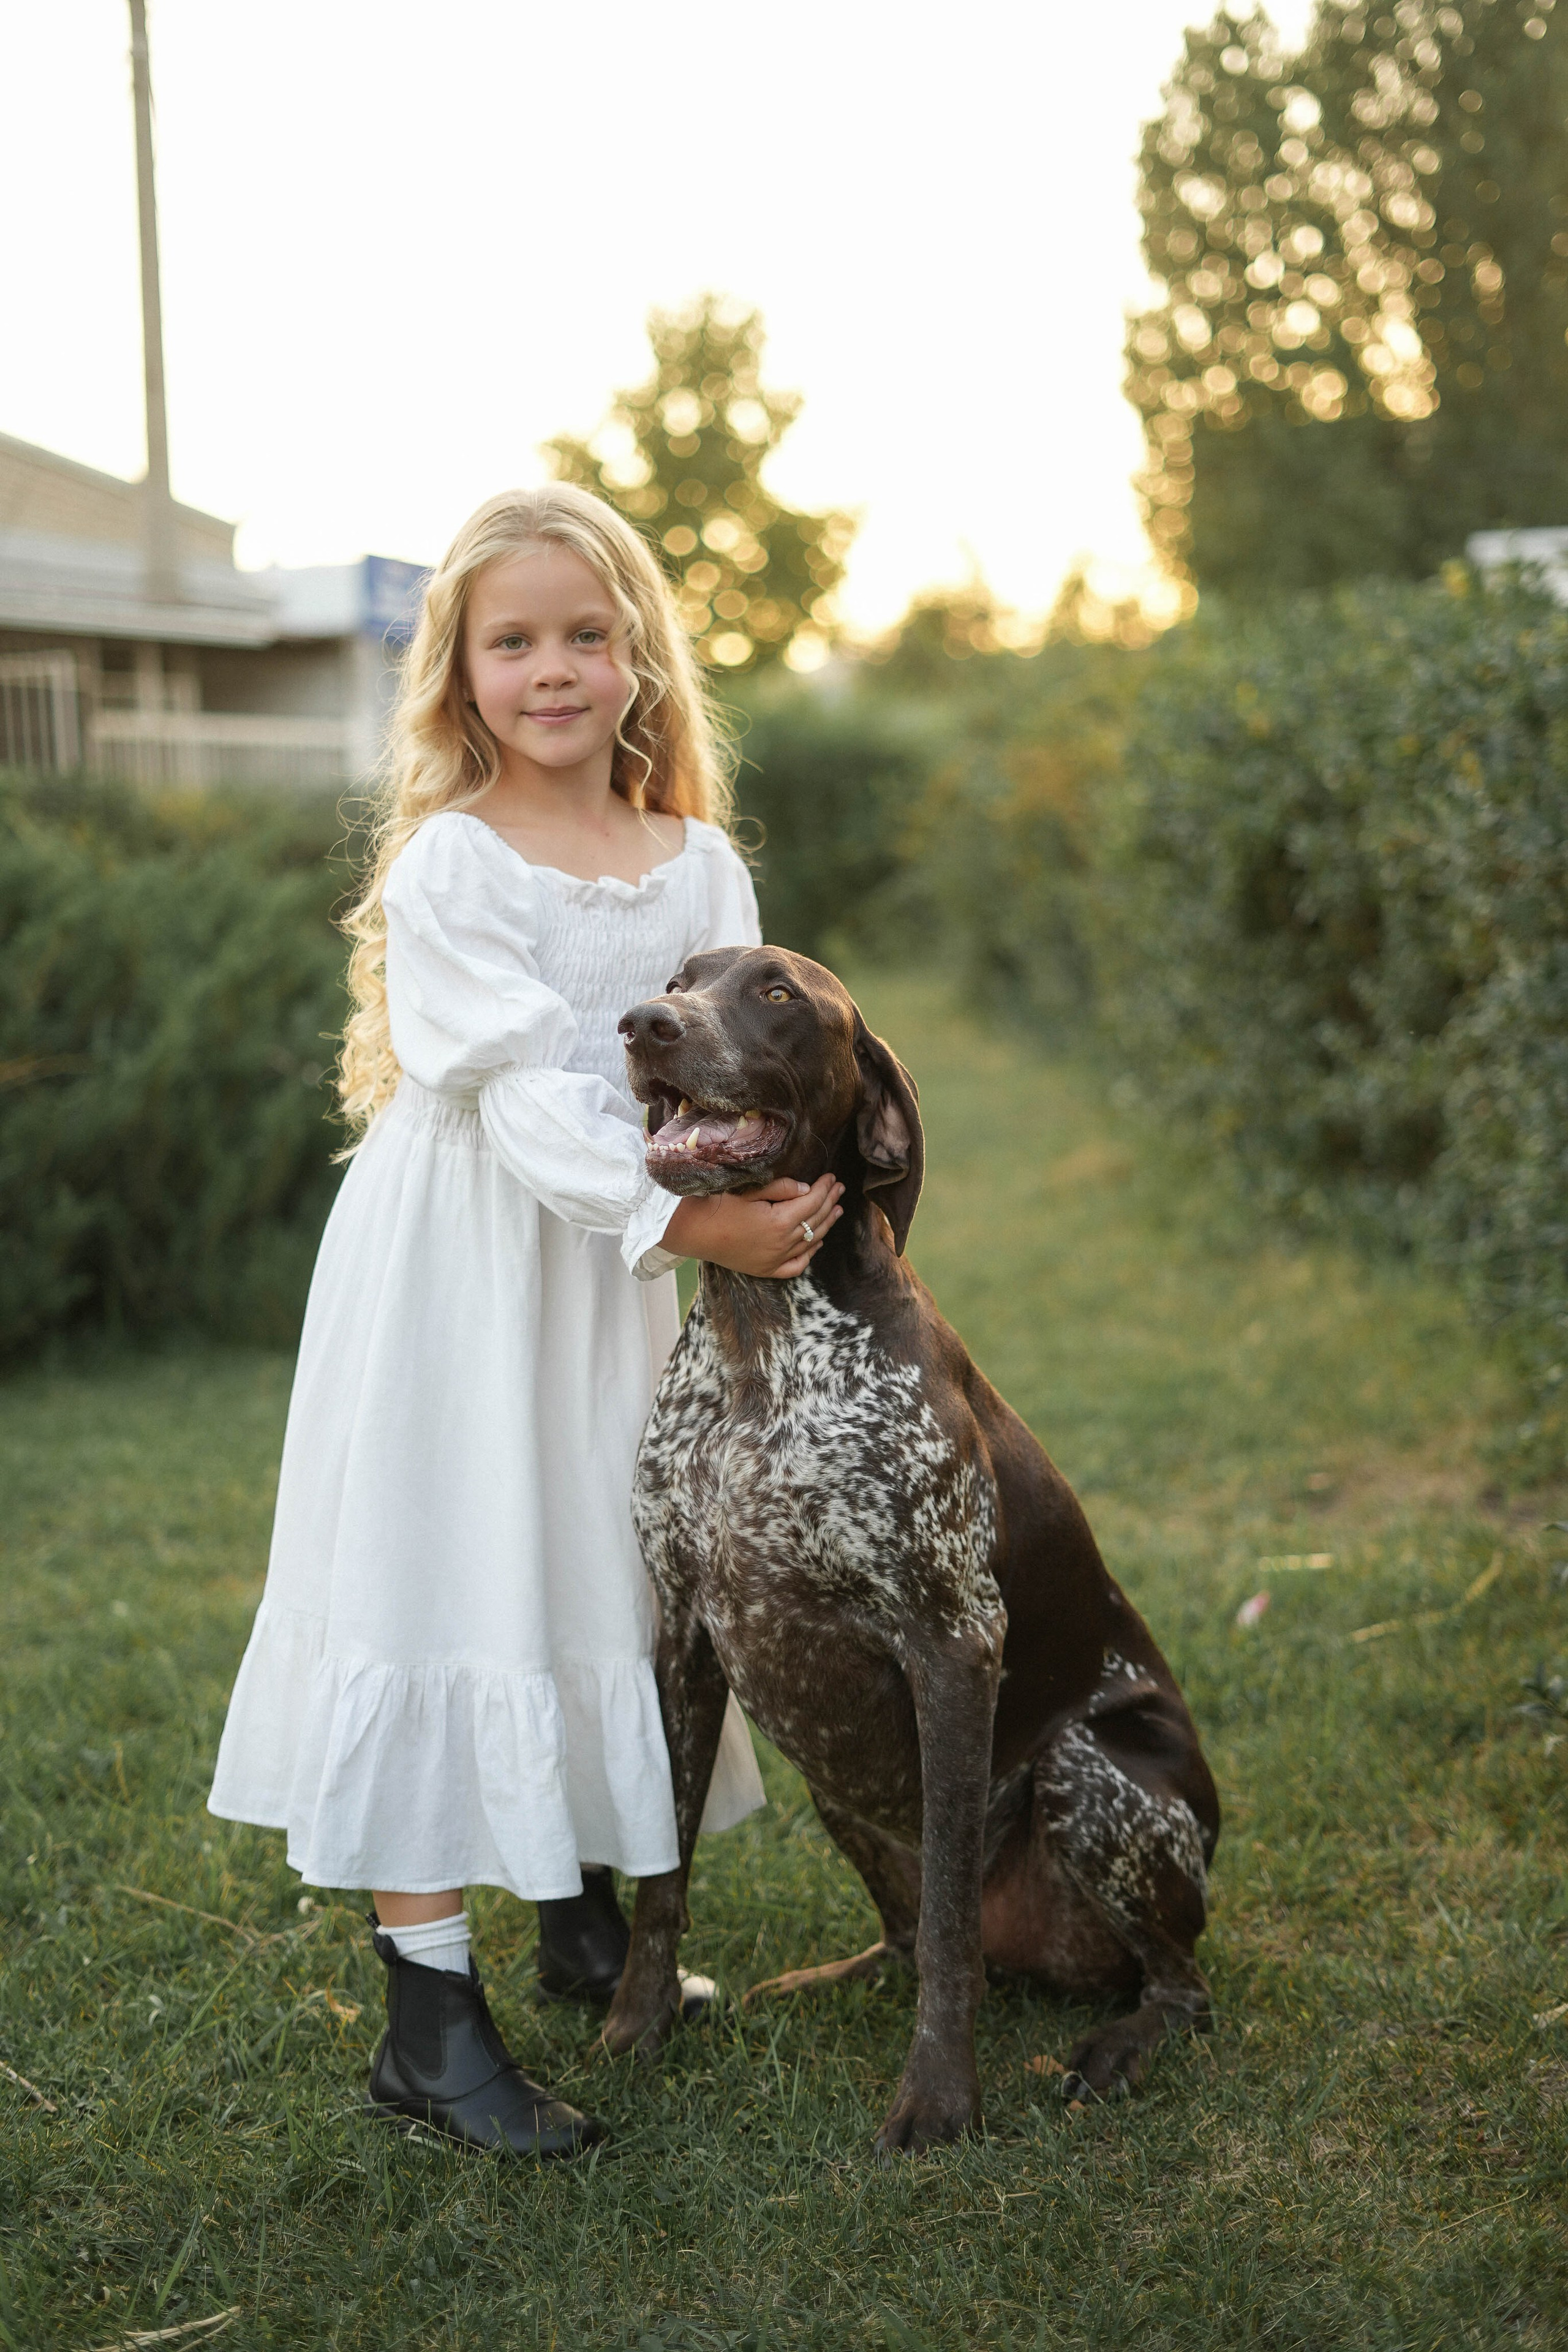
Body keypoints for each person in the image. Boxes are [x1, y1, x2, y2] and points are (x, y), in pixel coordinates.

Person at [208, 484, 844, 2157]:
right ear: (461, 674)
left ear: (638, 656)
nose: (553, 668)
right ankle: (427, 2020)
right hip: (469, 1260)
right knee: (451, 1566)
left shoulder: (701, 858)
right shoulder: (450, 867)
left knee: (607, 1564)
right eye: (514, 641)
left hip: (628, 1268)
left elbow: (741, 1060)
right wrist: (694, 1217)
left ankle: (582, 1913)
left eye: (586, 632)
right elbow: (513, 1098)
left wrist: (773, 1191)